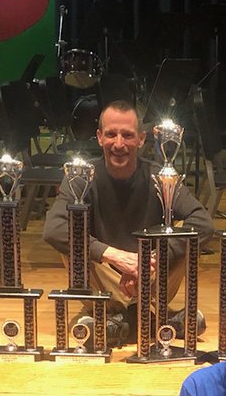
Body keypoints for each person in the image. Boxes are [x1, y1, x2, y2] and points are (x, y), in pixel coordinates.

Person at [43, 99, 214, 345]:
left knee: (186, 238)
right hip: (104, 274)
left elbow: (204, 223)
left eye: (127, 135)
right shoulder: (80, 176)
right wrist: (114, 256)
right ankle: (153, 320)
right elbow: (53, 228)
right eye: (111, 134)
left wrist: (148, 261)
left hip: (153, 275)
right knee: (70, 240)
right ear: (100, 137)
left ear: (141, 139)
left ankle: (114, 324)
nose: (119, 144)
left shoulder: (161, 176)